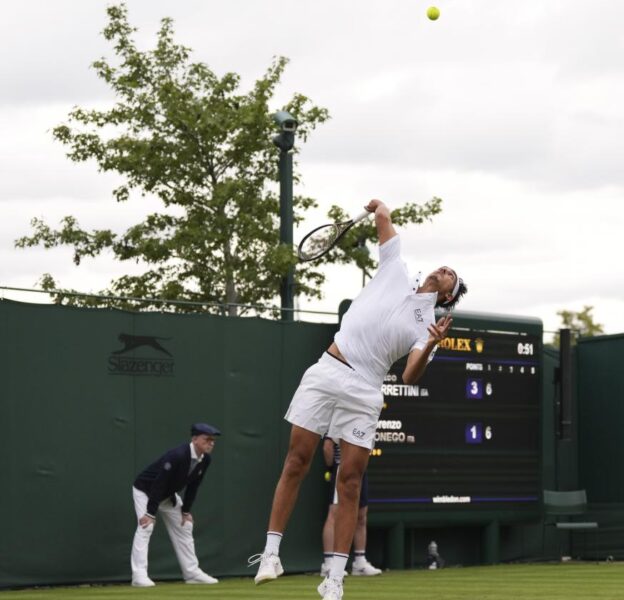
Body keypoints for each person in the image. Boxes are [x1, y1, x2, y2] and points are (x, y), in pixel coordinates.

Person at [250, 199, 467, 600]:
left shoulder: (428, 329)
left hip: (367, 389)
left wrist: (434, 347)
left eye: (451, 277)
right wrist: (376, 207)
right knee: (297, 460)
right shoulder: (395, 268)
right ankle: (271, 554)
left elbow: (409, 375)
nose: (444, 271)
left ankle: (334, 579)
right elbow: (384, 216)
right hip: (328, 369)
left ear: (448, 297)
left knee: (349, 482)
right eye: (444, 267)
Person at [130, 423, 221, 587]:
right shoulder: (178, 455)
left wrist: (186, 511)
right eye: (207, 439)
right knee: (146, 527)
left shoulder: (205, 460)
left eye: (213, 440)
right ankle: (139, 575)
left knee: (185, 525)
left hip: (167, 495)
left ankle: (192, 573)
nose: (211, 443)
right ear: (194, 439)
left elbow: (194, 486)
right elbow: (159, 483)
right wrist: (150, 514)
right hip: (145, 491)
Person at [321, 437, 382, 577]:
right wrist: (331, 468)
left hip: (360, 469)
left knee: (361, 515)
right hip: (341, 467)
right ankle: (328, 563)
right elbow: (327, 446)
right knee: (334, 514)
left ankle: (359, 562)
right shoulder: (336, 417)